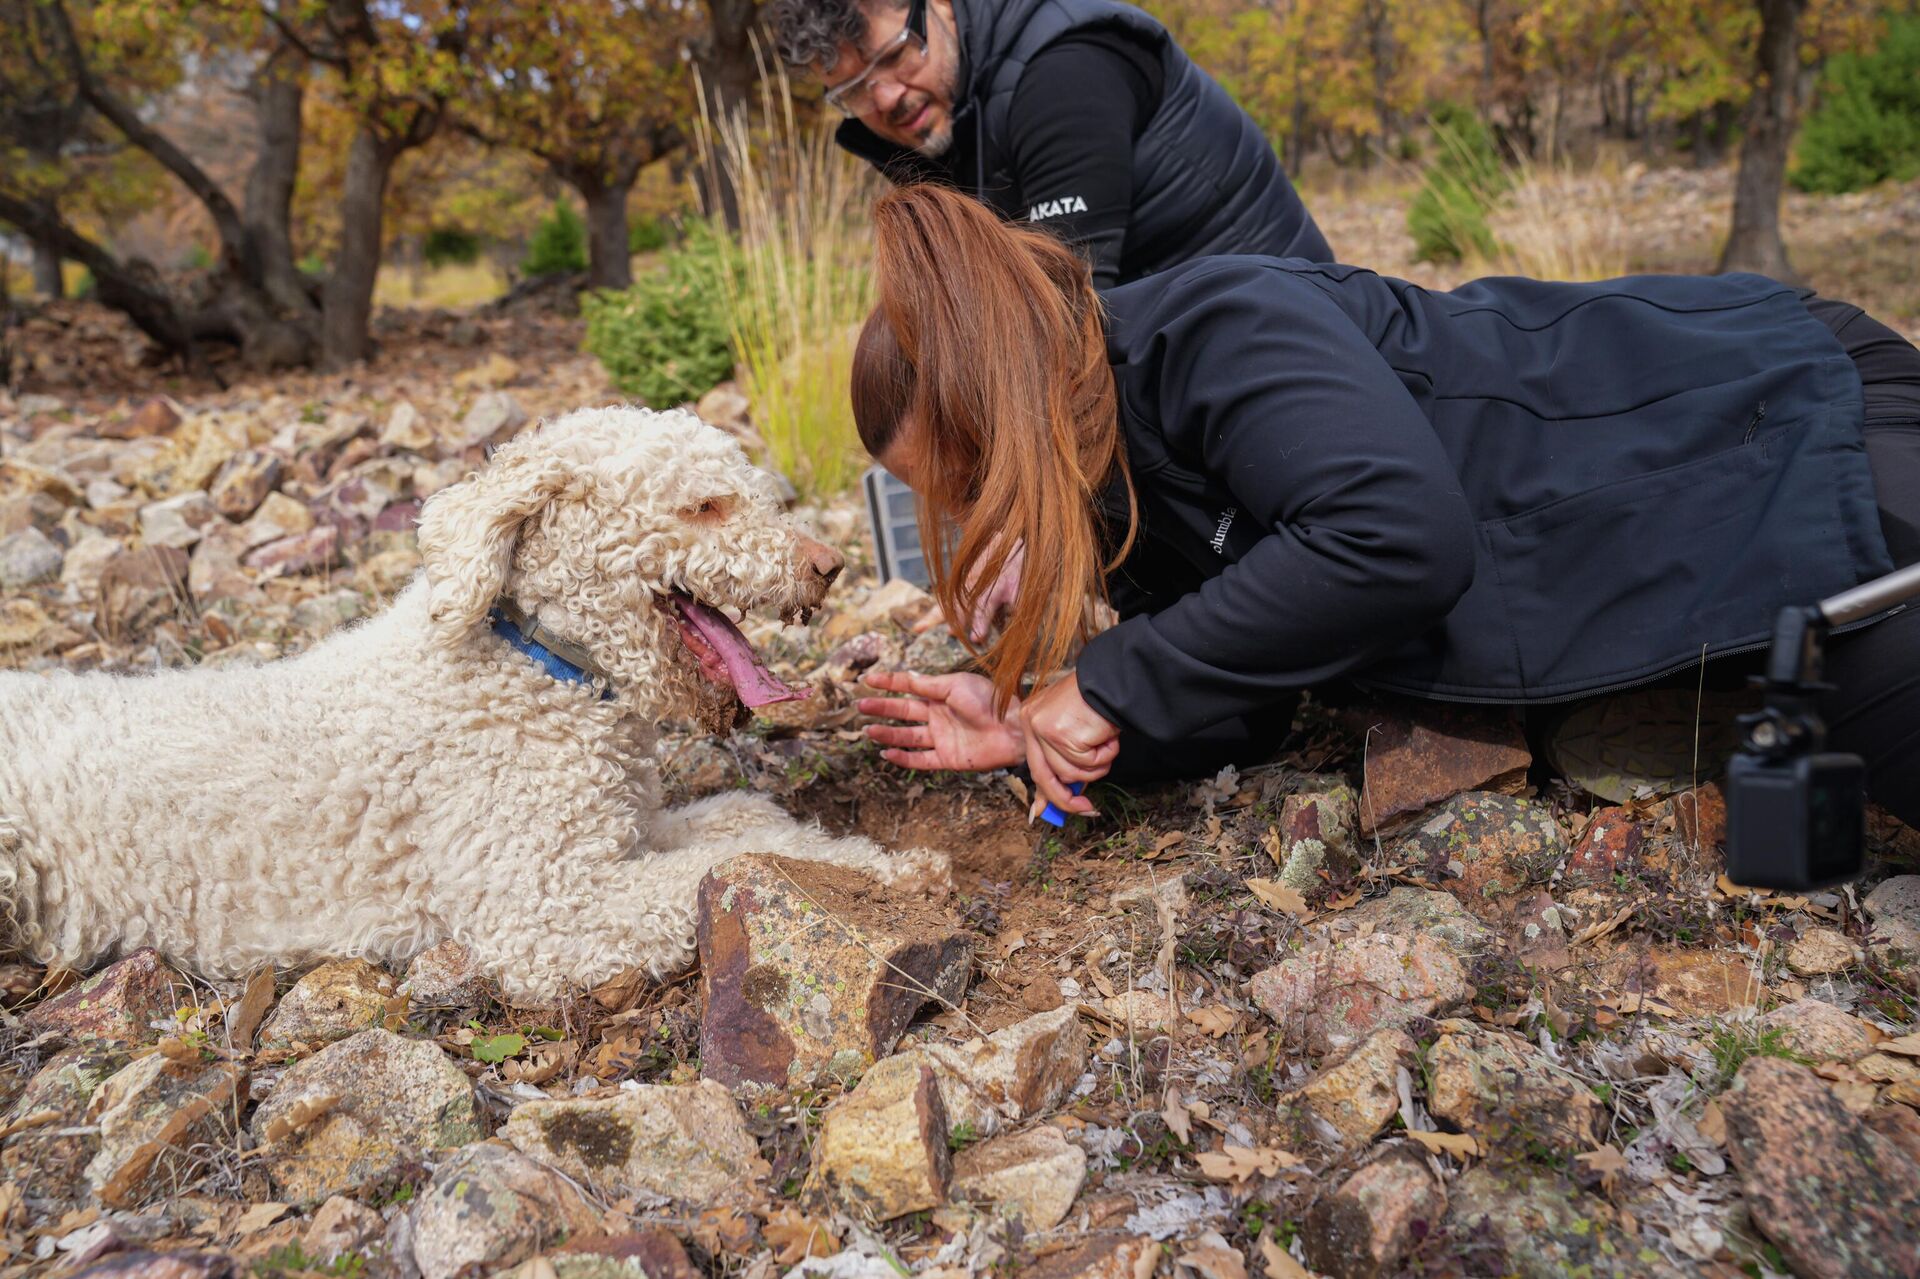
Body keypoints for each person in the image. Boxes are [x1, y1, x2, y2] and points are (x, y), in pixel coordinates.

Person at [850, 184, 1920, 826]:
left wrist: (1112, 675)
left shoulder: (1212, 328)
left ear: (1008, 402)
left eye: (971, 484)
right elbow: (1251, 696)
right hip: (1674, 541)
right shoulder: (1112, 474)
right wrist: (1049, 712)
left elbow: (1397, 538)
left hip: (1782, 413)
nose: (977, 522)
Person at [768, 0, 1332, 292]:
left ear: (938, 6)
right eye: (853, 90)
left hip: (1293, 344)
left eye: (894, 55)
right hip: (1186, 349)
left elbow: (1068, 314)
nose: (886, 97)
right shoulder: (945, 120)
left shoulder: (1062, 72)